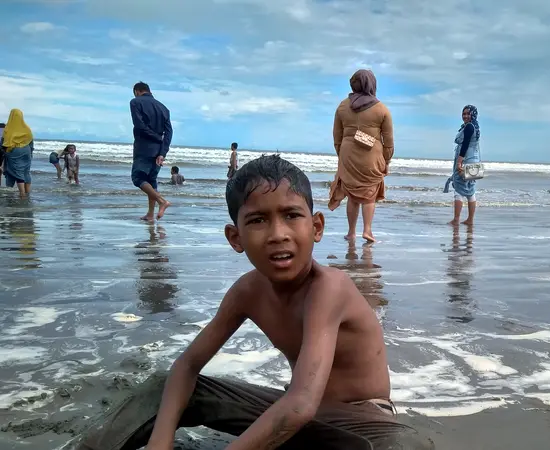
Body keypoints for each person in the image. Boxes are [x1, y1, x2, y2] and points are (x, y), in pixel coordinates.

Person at [69, 155, 432, 450]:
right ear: (235, 237)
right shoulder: (247, 292)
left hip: (359, 424)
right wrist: (161, 443)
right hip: (294, 417)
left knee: (408, 445)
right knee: (164, 386)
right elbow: (187, 365)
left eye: (292, 215)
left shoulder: (329, 288)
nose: (278, 234)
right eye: (258, 220)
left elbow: (302, 404)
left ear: (316, 227)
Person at [329, 69, 394, 243]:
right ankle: (367, 231)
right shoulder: (382, 109)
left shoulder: (343, 106)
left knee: (352, 195)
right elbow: (388, 140)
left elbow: (337, 135)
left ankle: (351, 232)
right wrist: (386, 160)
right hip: (371, 155)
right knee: (369, 194)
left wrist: (341, 155)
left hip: (348, 153)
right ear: (372, 84)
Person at [130, 81, 173, 221]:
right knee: (151, 180)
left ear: (137, 91)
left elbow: (139, 125)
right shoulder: (164, 108)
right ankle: (150, 214)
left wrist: (156, 138)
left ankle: (162, 201)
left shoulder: (136, 102)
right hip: (158, 150)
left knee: (138, 178)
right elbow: (169, 133)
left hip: (144, 147)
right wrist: (163, 152)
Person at [444, 105, 481, 226]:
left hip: (465, 161)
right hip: (474, 162)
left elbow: (465, 145)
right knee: (471, 190)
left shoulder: (469, 127)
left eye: (467, 114)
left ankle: (456, 219)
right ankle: (470, 220)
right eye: (463, 113)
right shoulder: (474, 126)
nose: (465, 116)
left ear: (473, 115)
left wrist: (459, 162)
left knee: (458, 190)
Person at [1, 109, 35, 197]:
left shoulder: (8, 128)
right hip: (26, 151)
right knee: (25, 171)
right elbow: (31, 142)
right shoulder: (27, 129)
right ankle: (27, 192)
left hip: (13, 151)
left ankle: (21, 193)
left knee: (15, 170)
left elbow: (3, 143)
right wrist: (30, 153)